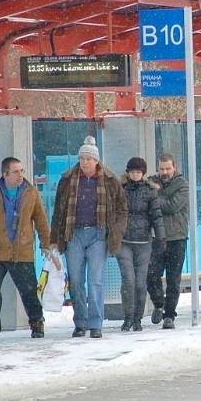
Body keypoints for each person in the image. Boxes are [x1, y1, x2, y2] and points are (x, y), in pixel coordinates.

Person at [50, 136, 127, 339]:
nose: (84, 162)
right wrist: (54, 239)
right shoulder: (67, 180)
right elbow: (58, 210)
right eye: (82, 158)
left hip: (98, 234)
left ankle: (96, 323)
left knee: (95, 280)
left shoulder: (110, 181)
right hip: (73, 234)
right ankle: (80, 322)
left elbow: (121, 209)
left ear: (96, 161)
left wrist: (116, 232)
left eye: (88, 158)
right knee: (75, 281)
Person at [0, 157, 50, 342]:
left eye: (22, 171)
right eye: (16, 171)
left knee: (29, 291)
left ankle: (37, 322)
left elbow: (41, 221)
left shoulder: (31, 193)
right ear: (5, 174)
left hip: (22, 252)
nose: (21, 175)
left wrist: (46, 244)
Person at [117, 157, 166, 332]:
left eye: (138, 172)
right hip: (124, 241)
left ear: (143, 174)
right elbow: (113, 215)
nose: (135, 175)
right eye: (132, 172)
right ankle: (128, 317)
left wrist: (161, 238)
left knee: (140, 283)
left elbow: (157, 216)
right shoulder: (120, 190)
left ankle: (137, 318)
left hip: (144, 242)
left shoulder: (150, 191)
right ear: (128, 173)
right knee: (128, 281)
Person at [146, 153, 189, 329]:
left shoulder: (182, 185)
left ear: (174, 168)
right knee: (150, 275)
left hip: (176, 237)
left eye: (168, 168)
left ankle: (169, 315)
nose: (164, 172)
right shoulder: (150, 182)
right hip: (157, 237)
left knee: (173, 279)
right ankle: (159, 304)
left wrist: (156, 193)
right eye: (162, 168)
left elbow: (172, 206)